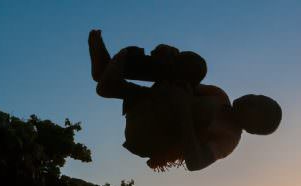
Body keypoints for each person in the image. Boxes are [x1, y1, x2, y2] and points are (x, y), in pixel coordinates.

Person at [88, 30, 282, 172]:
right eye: (255, 96)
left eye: (255, 105)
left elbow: (196, 163)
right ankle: (108, 75)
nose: (250, 98)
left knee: (203, 105)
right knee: (195, 65)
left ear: (254, 126)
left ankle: (110, 80)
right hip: (147, 106)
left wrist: (184, 113)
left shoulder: (229, 138)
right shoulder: (220, 96)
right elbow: (180, 80)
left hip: (151, 135)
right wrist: (172, 58)